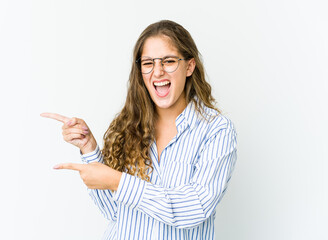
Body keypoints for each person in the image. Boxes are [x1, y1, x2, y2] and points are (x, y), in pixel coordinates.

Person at [41, 20, 237, 240]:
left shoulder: (216, 130)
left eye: (169, 61)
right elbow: (115, 212)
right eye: (148, 63)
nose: (158, 72)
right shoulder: (128, 126)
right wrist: (89, 148)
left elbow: (195, 208)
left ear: (189, 66)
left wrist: (119, 181)